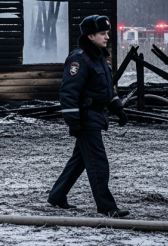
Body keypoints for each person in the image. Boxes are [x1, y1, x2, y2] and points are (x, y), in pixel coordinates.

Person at [47, 15, 130, 218]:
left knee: (81, 160)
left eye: (107, 33)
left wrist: (118, 107)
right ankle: (106, 206)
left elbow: (105, 89)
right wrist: (73, 121)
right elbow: (68, 92)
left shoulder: (99, 57)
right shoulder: (79, 58)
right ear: (91, 35)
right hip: (86, 119)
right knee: (98, 163)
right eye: (103, 33)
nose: (107, 37)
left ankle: (57, 196)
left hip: (96, 116)